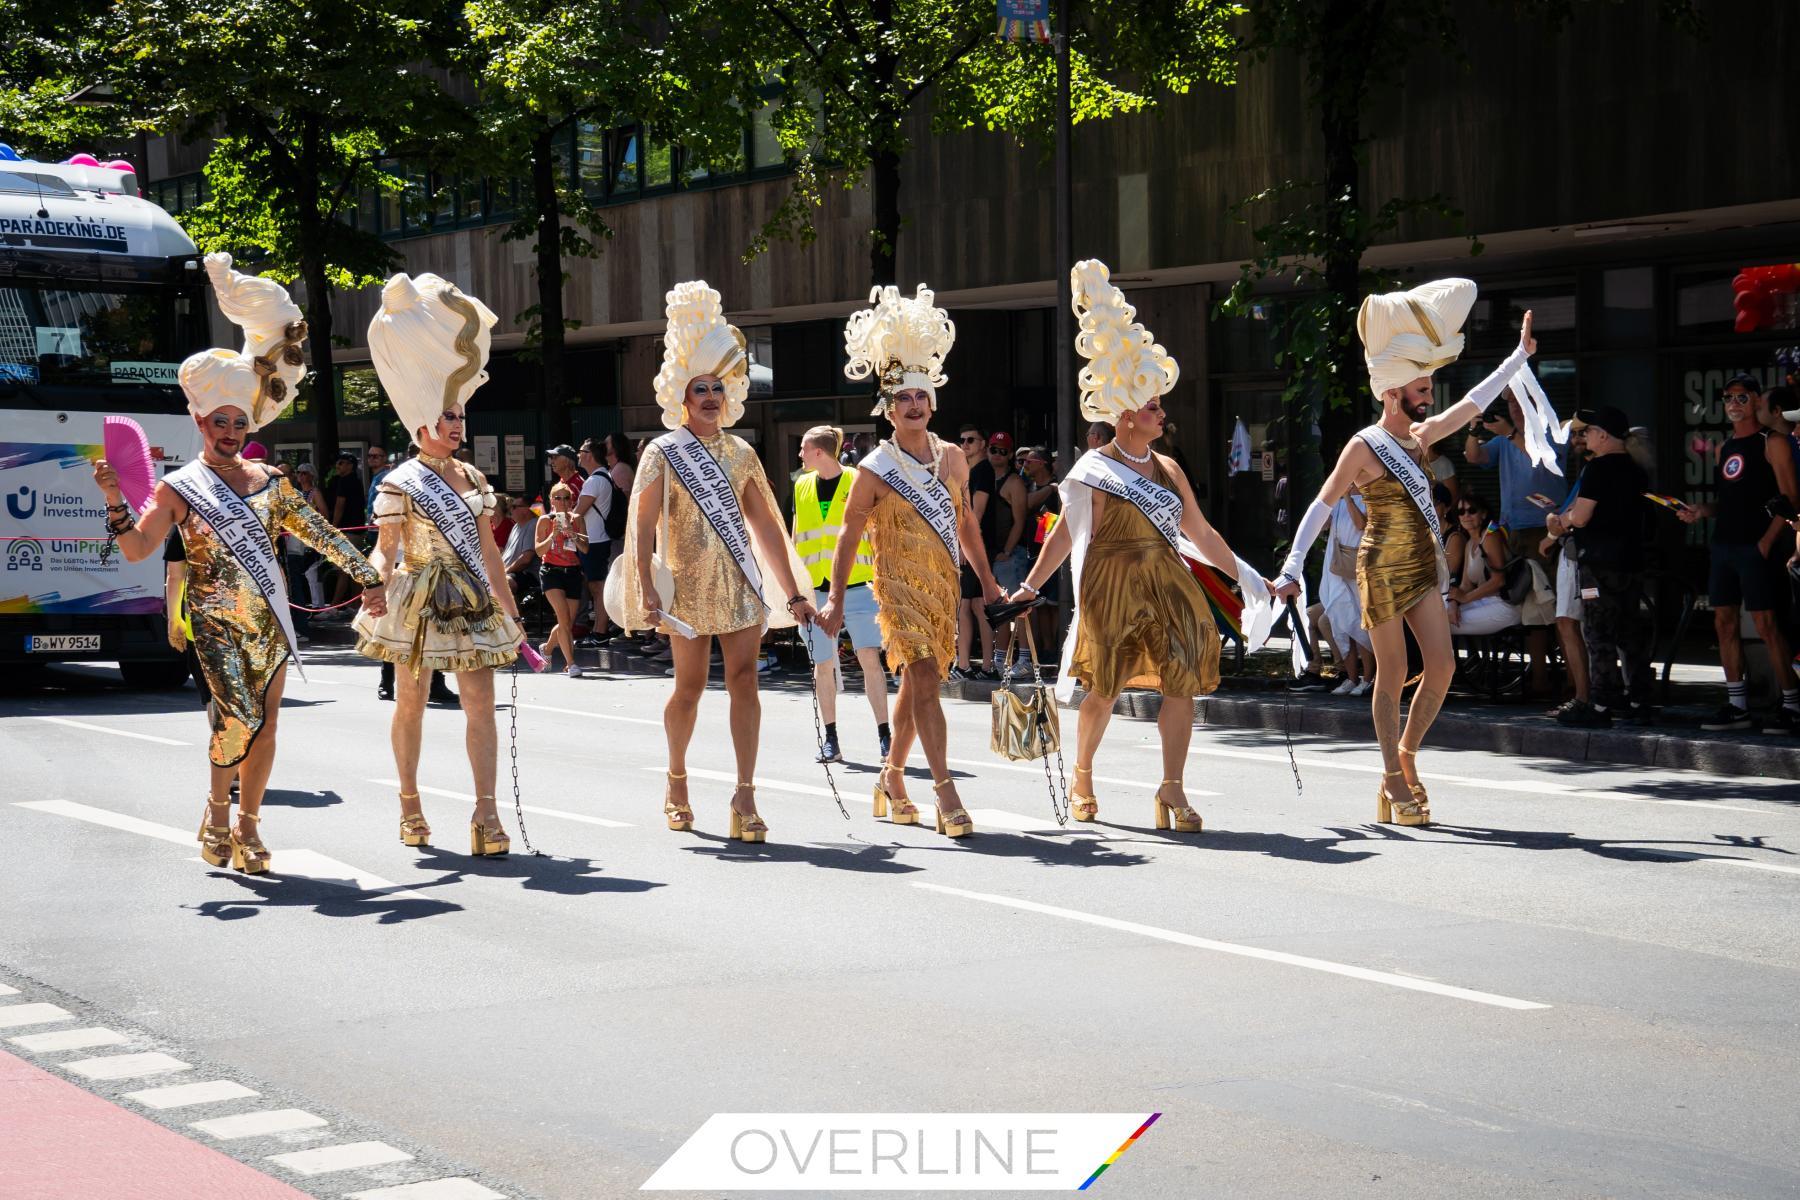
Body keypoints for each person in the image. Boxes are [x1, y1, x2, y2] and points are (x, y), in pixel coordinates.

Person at [92, 252, 386, 874]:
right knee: (237, 721)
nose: (229, 430)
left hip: (270, 620)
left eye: (238, 421)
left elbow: (324, 533)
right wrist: (116, 498)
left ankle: (249, 828)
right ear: (201, 422)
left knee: (269, 723)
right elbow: (139, 549)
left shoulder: (271, 482)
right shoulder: (179, 488)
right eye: (219, 421)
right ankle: (216, 813)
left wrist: (370, 578)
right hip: (216, 620)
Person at [1008, 262, 1267, 832]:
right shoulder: (1094, 469)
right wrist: (1030, 586)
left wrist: (1250, 578)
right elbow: (1066, 536)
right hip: (1112, 585)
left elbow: (1200, 535)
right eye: (1152, 407)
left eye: (1160, 407)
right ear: (1124, 414)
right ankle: (1082, 773)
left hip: (1168, 583)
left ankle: (1171, 789)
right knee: (1104, 689)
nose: (1161, 413)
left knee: (1182, 680)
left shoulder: (1169, 467)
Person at [1276, 279, 1546, 825]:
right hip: (1380, 565)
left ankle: (1406, 754)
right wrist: (1291, 563)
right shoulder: (1363, 445)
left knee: (1441, 667)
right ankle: (1393, 781)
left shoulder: (1420, 438)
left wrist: (1518, 358)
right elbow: (1323, 504)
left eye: (1428, 387)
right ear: (1392, 391)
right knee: (1392, 673)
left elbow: (1475, 401)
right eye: (1421, 388)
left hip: (1423, 565)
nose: (1429, 396)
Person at [614, 280, 816, 843]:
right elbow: (641, 522)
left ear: (729, 398)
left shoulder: (741, 452)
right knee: (690, 687)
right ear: (683, 397)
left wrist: (793, 593)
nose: (709, 397)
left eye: (717, 390)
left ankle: (744, 795)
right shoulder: (664, 450)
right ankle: (676, 779)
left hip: (742, 586)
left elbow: (767, 529)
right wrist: (646, 587)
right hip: (686, 587)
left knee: (747, 682)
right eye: (699, 389)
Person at [353, 272, 524, 856]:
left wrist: (509, 608)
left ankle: (485, 814)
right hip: (419, 598)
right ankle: (409, 802)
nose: (457, 426)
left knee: (480, 703)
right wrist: (374, 582)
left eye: (461, 417)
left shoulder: (475, 477)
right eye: (449, 417)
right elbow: (387, 547)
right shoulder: (400, 482)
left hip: (471, 597)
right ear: (423, 421)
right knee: (411, 702)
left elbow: (490, 552)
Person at [822, 283, 999, 838]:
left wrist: (989, 585)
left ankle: (891, 777)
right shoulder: (874, 468)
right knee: (923, 675)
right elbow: (849, 536)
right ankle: (945, 790)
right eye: (903, 398)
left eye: (921, 396)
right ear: (889, 407)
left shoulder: (952, 457)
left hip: (942, 585)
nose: (914, 405)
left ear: (932, 402)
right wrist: (832, 597)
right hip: (896, 588)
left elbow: (966, 522)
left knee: (921, 684)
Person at [1681, 374, 1800, 732]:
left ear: (1755, 401)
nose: (1734, 403)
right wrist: (1703, 511)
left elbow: (1791, 499)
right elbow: (1732, 501)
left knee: (1766, 625)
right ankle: (1737, 705)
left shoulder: (1773, 441)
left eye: (1742, 397)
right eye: (1728, 397)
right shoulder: (1725, 447)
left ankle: (1792, 705)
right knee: (1723, 623)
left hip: (1756, 548)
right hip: (1724, 547)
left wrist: (1765, 543)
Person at [1540, 406, 1653, 727]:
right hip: (1630, 559)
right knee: (1630, 631)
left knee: (1598, 632)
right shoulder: (1636, 468)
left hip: (1600, 561)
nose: (1584, 435)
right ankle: (1639, 699)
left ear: (1603, 435)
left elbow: (1582, 515)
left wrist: (1563, 520)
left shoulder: (1599, 469)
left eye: (1588, 431)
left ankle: (1602, 704)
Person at [791, 424, 890, 763]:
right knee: (823, 665)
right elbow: (796, 536)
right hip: (814, 591)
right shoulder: (801, 484)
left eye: (803, 448)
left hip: (858, 585)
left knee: (869, 661)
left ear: (819, 452)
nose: (799, 454)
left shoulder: (857, 479)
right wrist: (793, 590)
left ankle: (885, 737)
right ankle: (831, 739)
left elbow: (877, 534)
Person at [1464, 389, 1566, 695]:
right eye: (1510, 403)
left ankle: (1567, 683)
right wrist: (1473, 428)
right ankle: (1539, 680)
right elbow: (1473, 456)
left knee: (1554, 606)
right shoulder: (1504, 441)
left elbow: (1535, 456)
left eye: (1520, 403)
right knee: (1528, 607)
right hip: (1512, 531)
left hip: (1543, 530)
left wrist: (1510, 432)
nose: (1515, 409)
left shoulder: (1552, 434)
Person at [1542, 418, 1592, 718]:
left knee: (1571, 623)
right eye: (1572, 434)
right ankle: (1583, 694)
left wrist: (1551, 531)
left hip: (1582, 555)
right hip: (1578, 553)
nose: (1576, 439)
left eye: (1582, 432)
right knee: (1572, 624)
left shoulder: (1599, 468)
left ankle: (1585, 696)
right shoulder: (1588, 469)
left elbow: (1575, 517)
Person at [952, 424, 997, 679]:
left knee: (978, 605)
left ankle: (986, 665)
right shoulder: (969, 471)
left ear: (982, 444)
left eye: (971, 440)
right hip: (970, 544)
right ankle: (965, 664)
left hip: (978, 546)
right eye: (962, 440)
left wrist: (962, 545)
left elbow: (975, 513)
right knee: (966, 605)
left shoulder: (983, 470)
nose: (965, 444)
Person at [1317, 490, 1373, 694]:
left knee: (1360, 624)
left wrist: (1348, 497)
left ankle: (1367, 679)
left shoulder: (1369, 496)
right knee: (1340, 623)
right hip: (1337, 567)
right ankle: (1351, 678)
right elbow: (1323, 524)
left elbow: (1360, 524)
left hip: (1357, 568)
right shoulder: (1337, 499)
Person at [983, 429, 1029, 671]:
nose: (997, 454)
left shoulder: (1014, 482)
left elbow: (1019, 520)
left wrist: (1008, 551)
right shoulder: (984, 477)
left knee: (1017, 608)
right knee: (999, 609)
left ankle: (1024, 658)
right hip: (992, 554)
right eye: (993, 449)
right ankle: (1000, 659)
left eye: (1002, 451)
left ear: (1010, 454)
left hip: (1010, 555)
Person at [1445, 493, 1522, 636]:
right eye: (1461, 512)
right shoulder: (1469, 544)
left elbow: (1499, 580)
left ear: (1484, 514)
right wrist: (1453, 602)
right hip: (1483, 601)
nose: (1466, 515)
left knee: (1440, 625)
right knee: (1437, 614)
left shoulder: (1491, 535)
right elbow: (1465, 585)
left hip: (1505, 604)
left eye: (1472, 510)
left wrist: (1465, 598)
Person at [535, 481, 588, 676]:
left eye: (567, 498)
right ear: (551, 500)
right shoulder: (545, 520)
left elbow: (585, 548)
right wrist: (553, 535)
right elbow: (538, 550)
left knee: (567, 621)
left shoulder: (577, 519)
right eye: (558, 497)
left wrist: (573, 535)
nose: (563, 501)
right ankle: (571, 663)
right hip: (551, 571)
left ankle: (547, 650)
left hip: (572, 571)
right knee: (563, 617)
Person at [1019, 445, 1062, 657]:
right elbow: (1026, 504)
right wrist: (1049, 489)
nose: (1024, 464)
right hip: (1032, 552)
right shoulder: (1026, 484)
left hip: (1054, 553)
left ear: (1043, 463)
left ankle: (1056, 646)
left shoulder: (1059, 490)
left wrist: (1054, 489)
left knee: (1055, 604)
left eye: (1030, 461)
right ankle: (1046, 648)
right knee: (1041, 605)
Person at [574, 438, 617, 643]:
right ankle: (599, 630)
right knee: (596, 587)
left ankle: (600, 632)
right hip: (597, 539)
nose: (578, 455)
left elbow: (578, 513)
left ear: (589, 454)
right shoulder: (603, 477)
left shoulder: (594, 480)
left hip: (594, 540)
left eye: (580, 451)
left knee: (597, 588)